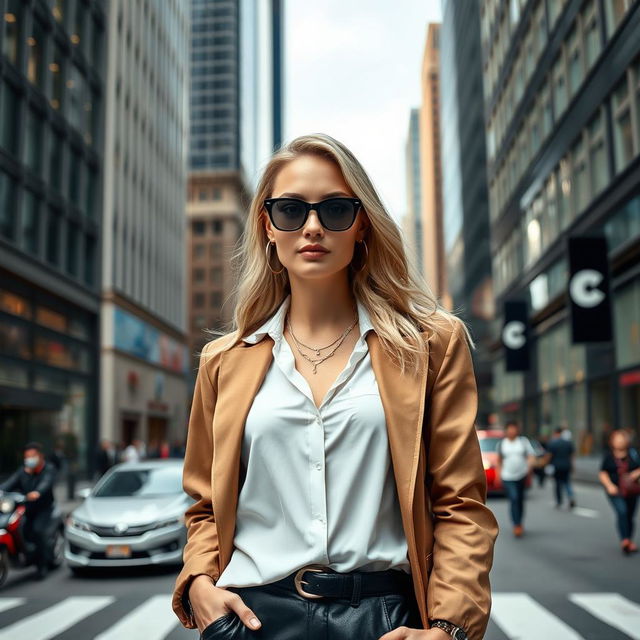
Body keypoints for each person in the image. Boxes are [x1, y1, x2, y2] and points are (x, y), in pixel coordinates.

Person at [171, 134, 499, 640]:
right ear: (267, 227)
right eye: (290, 210)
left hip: (384, 618)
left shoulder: (432, 344)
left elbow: (460, 503)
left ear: (362, 223)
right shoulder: (223, 361)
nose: (313, 227)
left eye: (336, 210)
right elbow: (205, 506)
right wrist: (199, 582)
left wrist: (447, 627)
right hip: (252, 618)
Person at [0, 442, 57, 579]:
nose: (29, 459)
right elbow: (10, 483)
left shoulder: (48, 469)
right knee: (19, 529)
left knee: (38, 531)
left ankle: (41, 566)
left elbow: (46, 483)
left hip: (44, 509)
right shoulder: (23, 471)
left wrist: (37, 492)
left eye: (32, 456)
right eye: (27, 457)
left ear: (40, 456)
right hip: (26, 508)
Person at [598, 429, 640, 554]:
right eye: (617, 440)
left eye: (622, 440)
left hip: (632, 490)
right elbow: (602, 472)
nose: (620, 442)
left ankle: (629, 539)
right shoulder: (608, 456)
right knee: (622, 511)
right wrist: (609, 485)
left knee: (630, 515)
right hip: (615, 490)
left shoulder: (633, 454)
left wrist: (634, 474)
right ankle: (625, 540)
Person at [496, 420, 537, 537]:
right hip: (507, 476)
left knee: (519, 500)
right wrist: (498, 476)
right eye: (509, 428)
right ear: (506, 430)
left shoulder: (523, 442)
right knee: (514, 498)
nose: (512, 431)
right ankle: (516, 524)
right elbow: (499, 461)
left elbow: (531, 456)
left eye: (514, 428)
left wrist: (529, 467)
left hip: (521, 475)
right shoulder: (502, 444)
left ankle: (519, 522)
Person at [545, 426, 576, 509]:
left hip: (556, 466)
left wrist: (546, 464)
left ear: (555, 433)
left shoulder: (552, 443)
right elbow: (572, 456)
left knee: (558, 484)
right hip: (566, 466)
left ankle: (559, 501)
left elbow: (549, 456)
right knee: (567, 483)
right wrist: (573, 466)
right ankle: (571, 497)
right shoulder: (568, 443)